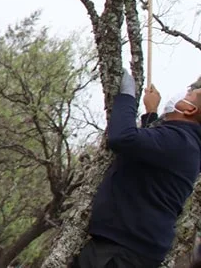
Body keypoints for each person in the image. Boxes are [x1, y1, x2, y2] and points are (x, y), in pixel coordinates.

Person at [72, 70, 201, 268]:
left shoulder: (180, 141)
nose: (183, 94)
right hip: (131, 248)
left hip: (120, 252)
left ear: (190, 110)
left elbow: (123, 138)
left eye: (189, 96)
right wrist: (150, 115)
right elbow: (153, 154)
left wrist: (127, 95)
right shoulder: (187, 142)